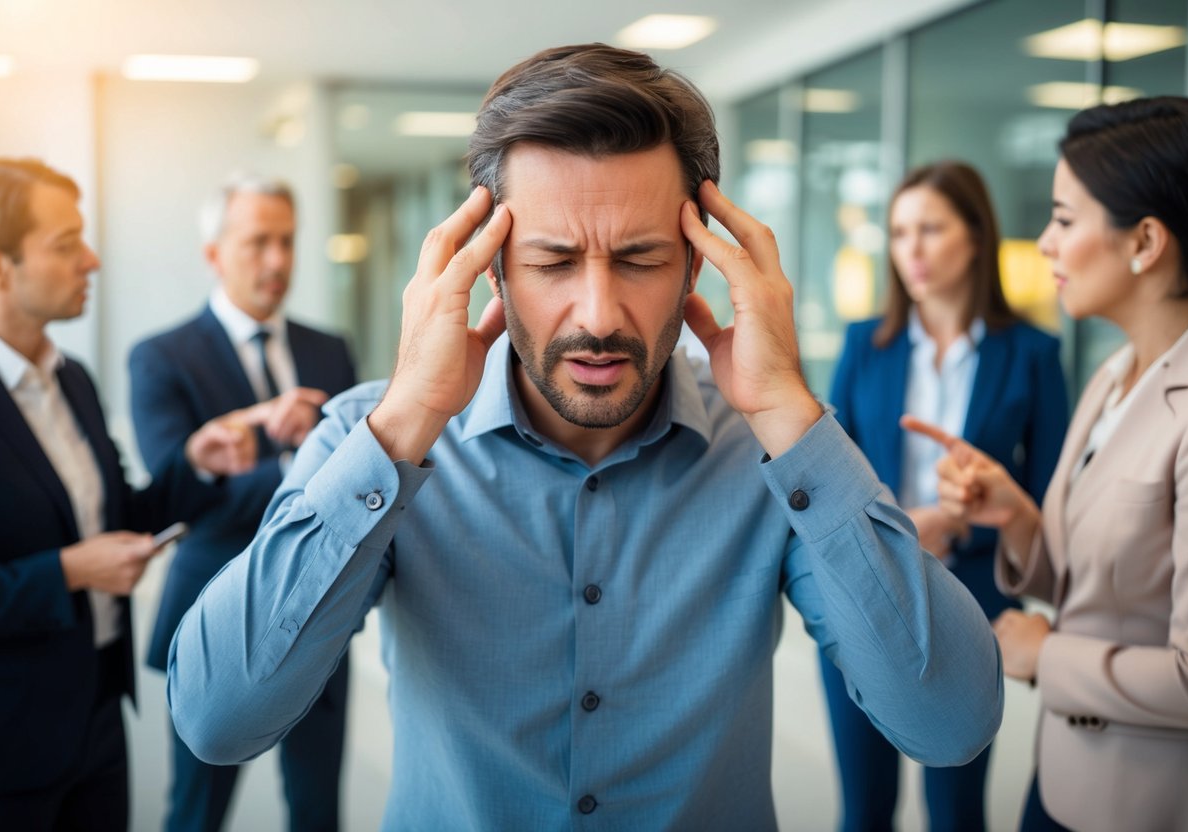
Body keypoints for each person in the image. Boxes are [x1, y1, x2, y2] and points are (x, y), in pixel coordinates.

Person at [168, 44, 1004, 830]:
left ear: (695, 264)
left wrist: (786, 407)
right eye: (554, 261)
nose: (599, 317)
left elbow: (949, 722)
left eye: (639, 259)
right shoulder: (373, 435)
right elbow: (216, 718)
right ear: (488, 267)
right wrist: (409, 420)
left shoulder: (773, 448)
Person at [905, 96, 1188, 832]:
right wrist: (1013, 514)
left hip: (1150, 803)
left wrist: (1048, 656)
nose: (1042, 243)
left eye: (1064, 220)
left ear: (1143, 241)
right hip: (1067, 777)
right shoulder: (1115, 375)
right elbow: (1101, 584)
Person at [0, 158, 255, 830]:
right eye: (64, 247)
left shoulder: (72, 380)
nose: (90, 261)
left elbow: (124, 517)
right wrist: (70, 571)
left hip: (95, 714)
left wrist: (195, 462)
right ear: (2, 269)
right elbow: (80, 555)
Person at [820, 161, 1068, 831]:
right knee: (863, 808)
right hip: (866, 595)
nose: (912, 251)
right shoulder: (863, 345)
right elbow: (829, 473)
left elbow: (1047, 501)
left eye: (930, 229)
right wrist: (904, 525)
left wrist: (961, 523)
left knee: (956, 810)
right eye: (899, 233)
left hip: (974, 602)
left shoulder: (1031, 354)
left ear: (975, 236)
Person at [129, 173, 357, 832]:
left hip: (321, 610)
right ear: (214, 254)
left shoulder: (328, 349)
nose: (278, 261)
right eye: (258, 242)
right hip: (214, 618)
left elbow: (368, 470)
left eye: (287, 241)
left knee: (318, 812)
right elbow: (180, 491)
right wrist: (286, 455)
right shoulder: (162, 357)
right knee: (197, 813)